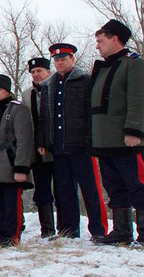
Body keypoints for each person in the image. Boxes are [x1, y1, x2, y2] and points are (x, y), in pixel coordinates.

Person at [91, 20, 144, 245]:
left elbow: (140, 100)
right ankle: (121, 231)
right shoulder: (103, 68)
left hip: (126, 139)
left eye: (100, 41)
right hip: (104, 141)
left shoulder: (134, 64)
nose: (98, 46)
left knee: (138, 185)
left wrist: (134, 131)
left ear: (114, 38)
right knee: (114, 188)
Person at [38, 43, 108, 240]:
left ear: (72, 59)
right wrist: (43, 141)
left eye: (63, 59)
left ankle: (99, 230)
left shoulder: (85, 80)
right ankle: (69, 231)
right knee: (65, 191)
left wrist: (91, 139)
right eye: (57, 60)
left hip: (81, 146)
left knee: (90, 189)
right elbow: (45, 116)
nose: (60, 62)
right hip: (59, 147)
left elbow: (91, 112)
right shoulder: (48, 85)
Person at [0, 75, 35, 247]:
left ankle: (11, 235)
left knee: (11, 203)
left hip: (9, 161)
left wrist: (21, 167)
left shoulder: (18, 109)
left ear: (7, 90)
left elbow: (24, 140)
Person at [20, 57, 57, 238]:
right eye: (33, 72)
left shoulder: (56, 89)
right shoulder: (27, 94)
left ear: (48, 72)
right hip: (37, 152)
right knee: (42, 191)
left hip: (57, 149)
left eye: (39, 71)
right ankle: (47, 229)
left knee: (63, 189)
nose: (36, 74)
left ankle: (68, 227)